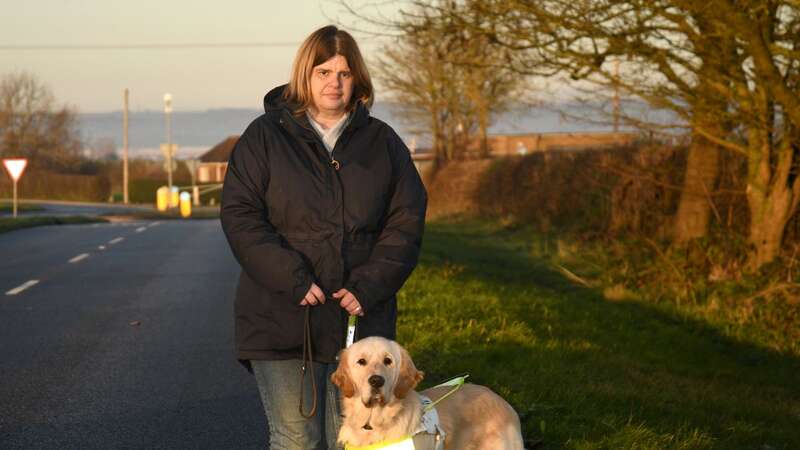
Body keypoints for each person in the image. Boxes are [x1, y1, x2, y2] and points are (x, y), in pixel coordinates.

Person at [220, 25, 427, 450]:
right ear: (305, 76)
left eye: (344, 73)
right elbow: (241, 217)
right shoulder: (263, 138)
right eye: (323, 71)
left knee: (355, 441)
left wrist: (368, 286)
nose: (334, 82)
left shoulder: (383, 142)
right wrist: (294, 279)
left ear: (358, 80)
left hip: (359, 322)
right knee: (297, 439)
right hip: (279, 317)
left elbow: (406, 221)